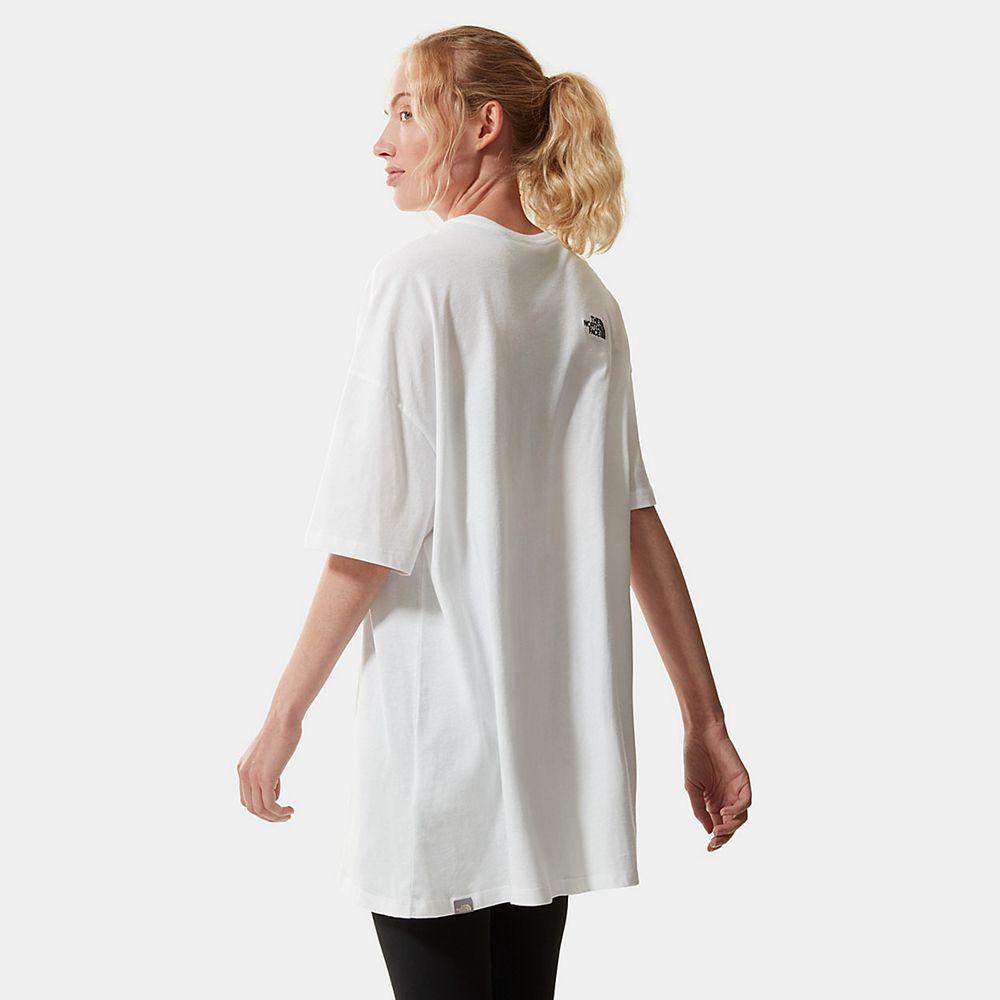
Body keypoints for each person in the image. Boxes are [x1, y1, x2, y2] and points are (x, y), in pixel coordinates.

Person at [237, 24, 751, 1000]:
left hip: (437, 763)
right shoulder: (589, 301)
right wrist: (705, 720)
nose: (382, 141)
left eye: (405, 111)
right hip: (548, 776)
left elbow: (368, 538)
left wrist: (281, 718)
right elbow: (636, 521)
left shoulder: (419, 282)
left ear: (482, 125)